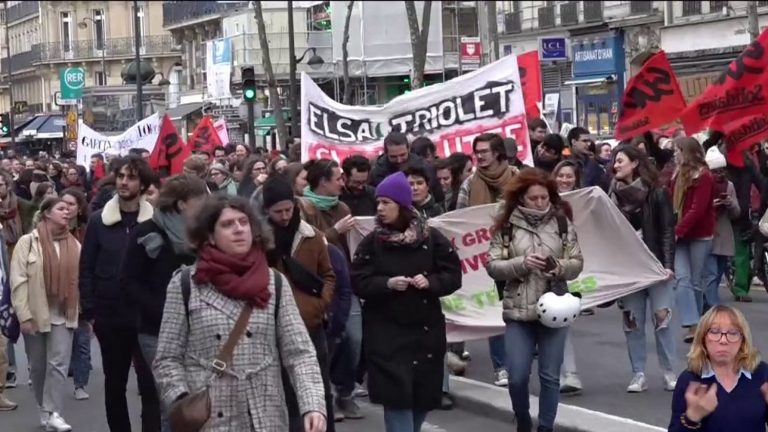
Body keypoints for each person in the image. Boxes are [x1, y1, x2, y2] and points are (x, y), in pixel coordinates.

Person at [153, 194, 327, 431]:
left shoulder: (274, 282)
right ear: (210, 236)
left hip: (265, 416)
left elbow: (299, 352)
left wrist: (313, 405)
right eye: (227, 224)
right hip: (210, 417)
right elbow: (167, 358)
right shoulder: (186, 284)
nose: (238, 229)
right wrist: (182, 399)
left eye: (244, 222)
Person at [351, 172, 462, 432]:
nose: (379, 208)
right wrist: (387, 284)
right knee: (396, 400)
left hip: (425, 333)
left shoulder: (432, 238)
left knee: (423, 399)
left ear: (401, 205)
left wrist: (431, 282)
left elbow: (453, 275)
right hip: (386, 335)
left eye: (386, 202)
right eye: (378, 202)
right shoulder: (372, 243)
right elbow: (358, 280)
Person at [485, 168, 583, 432]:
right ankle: (523, 420)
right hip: (518, 311)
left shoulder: (562, 223)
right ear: (521, 199)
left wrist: (559, 268)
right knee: (517, 376)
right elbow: (492, 265)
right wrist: (521, 263)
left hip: (555, 309)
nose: (540, 203)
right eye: (534, 198)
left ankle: (546, 427)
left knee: (550, 376)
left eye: (544, 197)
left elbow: (577, 263)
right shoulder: (506, 226)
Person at [120, 174, 208, 432]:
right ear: (182, 204)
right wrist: (162, 311)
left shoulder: (202, 234)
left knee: (200, 399)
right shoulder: (146, 232)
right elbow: (128, 282)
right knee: (173, 402)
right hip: (156, 331)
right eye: (200, 200)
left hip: (199, 326)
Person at [79, 156, 161, 432]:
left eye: (132, 177)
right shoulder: (99, 221)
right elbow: (86, 267)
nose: (124, 182)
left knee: (151, 386)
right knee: (115, 385)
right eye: (121, 176)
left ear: (143, 184)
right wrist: (90, 311)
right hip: (110, 317)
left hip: (146, 317)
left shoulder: (155, 222)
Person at [262, 177, 337, 431]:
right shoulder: (259, 242)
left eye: (288, 209)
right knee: (285, 396)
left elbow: (328, 274)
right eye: (278, 212)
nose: (284, 216)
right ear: (267, 211)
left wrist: (321, 303)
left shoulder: (312, 237)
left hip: (311, 325)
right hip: (272, 331)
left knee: (319, 391)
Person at [610, 145, 678, 393]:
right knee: (632, 322)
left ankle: (670, 372)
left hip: (656, 267)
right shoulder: (612, 195)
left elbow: (667, 229)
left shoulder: (657, 193)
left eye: (620, 160)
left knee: (663, 319)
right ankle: (638, 373)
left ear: (635, 163)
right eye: (614, 162)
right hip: (629, 270)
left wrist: (668, 264)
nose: (615, 165)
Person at [11, 196, 81, 431]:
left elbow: (78, 281)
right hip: (36, 312)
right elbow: (18, 281)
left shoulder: (74, 244)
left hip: (64, 311)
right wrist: (24, 315)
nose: (67, 212)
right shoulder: (27, 243)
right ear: (47, 213)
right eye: (61, 208)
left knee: (59, 364)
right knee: (39, 366)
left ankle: (53, 412)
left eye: (69, 209)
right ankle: (43, 407)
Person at [456, 133, 517, 387]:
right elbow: (459, 219)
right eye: (477, 152)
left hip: (518, 254)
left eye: (484, 151)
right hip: (485, 258)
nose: (479, 156)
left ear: (498, 153)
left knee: (519, 311)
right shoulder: (470, 184)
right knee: (496, 311)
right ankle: (501, 366)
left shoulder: (519, 178)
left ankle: (519, 360)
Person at [668, 305, 768, 432]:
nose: (723, 340)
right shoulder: (690, 380)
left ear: (743, 340)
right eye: (714, 332)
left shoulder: (761, 374)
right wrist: (692, 417)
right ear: (703, 338)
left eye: (732, 333)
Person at [671, 137, 716, 343]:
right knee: (682, 278)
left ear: (687, 152)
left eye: (677, 150)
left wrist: (678, 229)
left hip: (699, 235)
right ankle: (692, 322)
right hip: (680, 236)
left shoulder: (704, 176)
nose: (674, 154)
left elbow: (697, 210)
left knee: (696, 281)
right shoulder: (676, 175)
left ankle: (696, 324)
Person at [702, 147, 740, 311]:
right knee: (710, 274)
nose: (719, 174)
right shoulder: (703, 184)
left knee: (717, 274)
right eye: (715, 171)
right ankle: (713, 307)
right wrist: (711, 205)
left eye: (721, 171)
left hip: (724, 235)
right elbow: (696, 209)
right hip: (708, 233)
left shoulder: (729, 186)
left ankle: (706, 300)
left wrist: (730, 203)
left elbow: (736, 212)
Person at [298, 159, 353, 258]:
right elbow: (306, 244)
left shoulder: (343, 208)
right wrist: (335, 231)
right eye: (338, 179)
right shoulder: (302, 207)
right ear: (323, 181)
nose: (342, 184)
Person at [369, 132, 443, 204]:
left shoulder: (424, 166)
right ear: (386, 153)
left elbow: (438, 196)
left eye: (402, 155)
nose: (399, 160)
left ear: (408, 149)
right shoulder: (378, 172)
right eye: (393, 157)